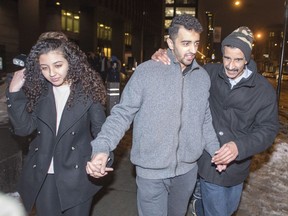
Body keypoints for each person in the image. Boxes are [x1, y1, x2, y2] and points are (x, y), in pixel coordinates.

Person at [86, 14, 225, 216]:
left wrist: (216, 152)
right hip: (151, 172)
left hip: (186, 172)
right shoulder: (146, 72)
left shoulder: (202, 78)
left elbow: (204, 121)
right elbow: (122, 114)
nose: (193, 50)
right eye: (186, 43)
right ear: (170, 42)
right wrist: (102, 148)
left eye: (196, 43)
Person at [151, 26, 279, 216]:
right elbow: (181, 66)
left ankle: (199, 204)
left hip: (238, 166)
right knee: (218, 211)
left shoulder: (263, 89)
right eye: (227, 58)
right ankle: (201, 201)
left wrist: (240, 146)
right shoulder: (208, 72)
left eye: (238, 60)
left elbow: (268, 129)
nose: (231, 65)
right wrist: (164, 55)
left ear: (247, 59)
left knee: (228, 208)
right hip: (209, 159)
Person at [6, 32, 113, 216]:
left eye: (58, 65)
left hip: (77, 174)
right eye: (44, 68)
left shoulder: (88, 90)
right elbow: (24, 129)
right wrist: (14, 92)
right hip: (44, 173)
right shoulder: (37, 90)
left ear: (71, 61)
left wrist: (103, 157)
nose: (52, 73)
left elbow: (101, 131)